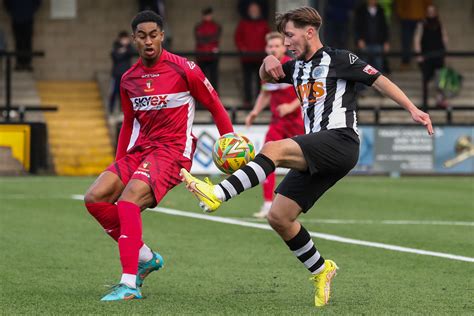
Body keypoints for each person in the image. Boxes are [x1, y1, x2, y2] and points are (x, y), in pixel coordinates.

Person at [181, 6, 433, 307]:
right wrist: (267, 61)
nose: (286, 43)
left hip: (341, 140)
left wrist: (412, 109)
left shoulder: (340, 59)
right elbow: (265, 76)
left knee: (273, 148)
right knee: (279, 217)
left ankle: (218, 194)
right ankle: (321, 269)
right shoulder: (295, 66)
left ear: (309, 32)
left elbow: (379, 80)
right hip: (317, 148)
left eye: (289, 36)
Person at [83, 10, 233, 301]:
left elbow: (214, 105)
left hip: (173, 152)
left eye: (154, 35)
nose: (148, 41)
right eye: (142, 36)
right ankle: (145, 256)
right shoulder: (129, 79)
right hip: (141, 150)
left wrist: (229, 140)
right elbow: (128, 123)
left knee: (127, 201)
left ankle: (128, 283)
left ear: (162, 36)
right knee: (95, 198)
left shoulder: (185, 69)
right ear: (133, 39)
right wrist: (118, 160)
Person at [245, 32, 304, 218]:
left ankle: (299, 201)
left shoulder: (292, 66)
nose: (273, 49)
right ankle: (268, 204)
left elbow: (305, 93)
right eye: (270, 46)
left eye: (277, 46)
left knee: (306, 163)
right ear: (266, 48)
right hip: (277, 124)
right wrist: (255, 111)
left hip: (297, 123)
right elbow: (265, 93)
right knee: (266, 158)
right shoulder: (267, 71)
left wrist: (291, 106)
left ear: (284, 47)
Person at [235, 2, 270, 106]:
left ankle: (259, 101)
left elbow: (268, 38)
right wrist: (242, 48)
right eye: (252, 9)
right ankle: (247, 101)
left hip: (260, 58)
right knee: (247, 80)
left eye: (255, 9)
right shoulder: (243, 23)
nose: (254, 11)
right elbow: (237, 38)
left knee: (261, 80)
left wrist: (266, 50)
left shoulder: (263, 24)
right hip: (247, 58)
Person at [414, 5, 448, 110]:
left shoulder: (439, 23)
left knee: (439, 78)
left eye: (433, 11)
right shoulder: (422, 24)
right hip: (426, 56)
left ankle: (439, 100)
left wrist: (445, 53)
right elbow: (417, 39)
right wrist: (418, 54)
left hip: (438, 55)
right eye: (429, 11)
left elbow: (444, 37)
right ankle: (425, 103)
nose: (431, 13)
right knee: (426, 79)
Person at [3, 0, 41, 71]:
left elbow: (37, 2)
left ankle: (27, 63)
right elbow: (6, 3)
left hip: (27, 17)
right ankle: (20, 63)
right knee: (19, 41)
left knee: (27, 41)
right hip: (17, 17)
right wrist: (12, 12)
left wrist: (31, 11)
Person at [354, 0, 390, 73]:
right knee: (364, 67)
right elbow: (356, 26)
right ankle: (363, 84)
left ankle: (377, 84)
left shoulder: (381, 10)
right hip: (365, 43)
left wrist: (386, 41)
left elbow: (385, 28)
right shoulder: (361, 10)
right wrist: (359, 39)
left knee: (379, 67)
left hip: (378, 43)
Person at [395, 0, 432, 69]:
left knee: (422, 42)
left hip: (419, 18)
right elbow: (399, 4)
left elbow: (428, 3)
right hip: (407, 18)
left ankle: (423, 63)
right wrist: (401, 15)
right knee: (406, 42)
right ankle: (405, 62)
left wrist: (425, 16)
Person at [194, 7, 221, 92]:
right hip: (202, 56)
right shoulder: (198, 27)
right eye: (206, 15)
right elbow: (200, 39)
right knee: (202, 78)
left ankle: (214, 95)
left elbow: (215, 38)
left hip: (212, 56)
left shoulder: (216, 26)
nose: (207, 17)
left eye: (209, 15)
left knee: (213, 78)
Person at [109, 31, 135, 114]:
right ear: (119, 39)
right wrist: (123, 52)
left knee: (124, 94)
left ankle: (122, 111)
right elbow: (116, 56)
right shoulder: (115, 47)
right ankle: (111, 110)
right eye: (123, 39)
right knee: (114, 93)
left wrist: (125, 49)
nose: (125, 40)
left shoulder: (129, 48)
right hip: (116, 75)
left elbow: (134, 52)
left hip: (126, 76)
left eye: (126, 39)